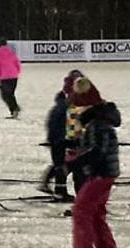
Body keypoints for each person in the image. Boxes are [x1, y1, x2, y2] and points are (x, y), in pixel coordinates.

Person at [63, 100, 121, 248]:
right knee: (95, 213)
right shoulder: (100, 124)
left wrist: (74, 164)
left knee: (81, 210)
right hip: (104, 174)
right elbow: (92, 148)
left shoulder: (98, 126)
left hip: (99, 175)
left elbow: (96, 152)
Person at [39, 70, 82, 201]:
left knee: (60, 164)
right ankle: (60, 191)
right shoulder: (69, 105)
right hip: (62, 139)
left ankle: (55, 187)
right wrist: (73, 140)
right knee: (65, 165)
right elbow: (71, 124)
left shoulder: (61, 103)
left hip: (56, 138)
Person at [0, 38, 21, 119]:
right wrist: (17, 72)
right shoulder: (11, 52)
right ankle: (15, 109)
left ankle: (14, 109)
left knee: (5, 95)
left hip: (5, 77)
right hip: (14, 76)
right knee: (11, 94)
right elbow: (17, 63)